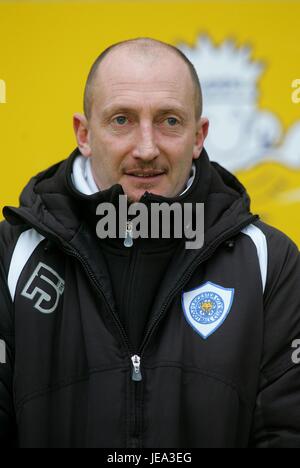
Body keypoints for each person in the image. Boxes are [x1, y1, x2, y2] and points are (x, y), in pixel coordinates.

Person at [0, 37, 300, 448]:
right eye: (121, 120)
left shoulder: (270, 261)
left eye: (170, 121)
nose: (146, 148)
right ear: (84, 134)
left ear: (199, 136)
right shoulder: (11, 254)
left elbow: (287, 431)